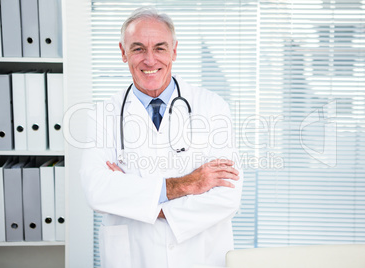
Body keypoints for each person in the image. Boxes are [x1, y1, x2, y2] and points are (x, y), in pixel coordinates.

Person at [80, 6, 243, 268]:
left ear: (174, 51)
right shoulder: (103, 114)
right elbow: (97, 191)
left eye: (159, 48)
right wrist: (188, 183)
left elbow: (227, 196)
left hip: (199, 256)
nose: (150, 59)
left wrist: (138, 200)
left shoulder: (212, 107)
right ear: (123, 53)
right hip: (133, 257)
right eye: (137, 48)